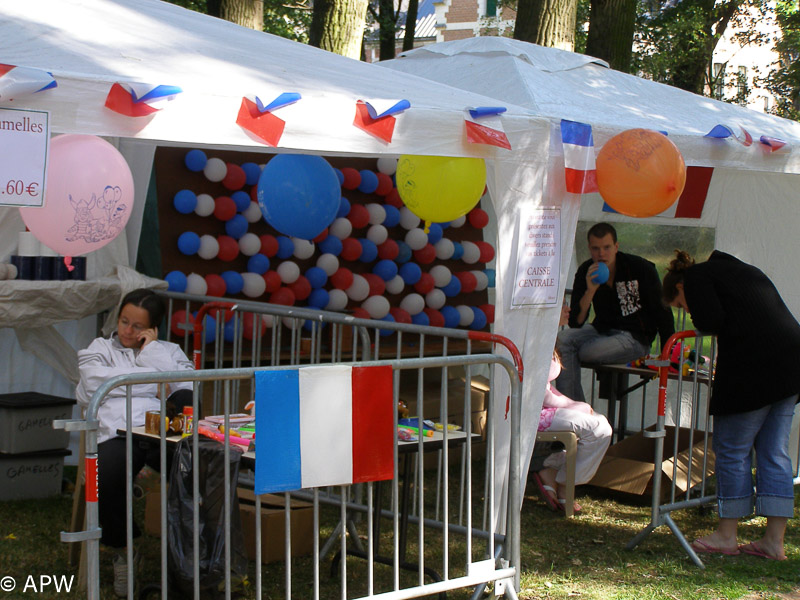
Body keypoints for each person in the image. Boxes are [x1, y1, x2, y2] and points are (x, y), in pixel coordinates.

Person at [663, 250, 800, 561]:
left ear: (680, 288)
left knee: (732, 450)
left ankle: (727, 535)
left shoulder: (698, 278)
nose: (687, 311)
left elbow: (712, 319)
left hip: (753, 370)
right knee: (774, 451)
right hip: (790, 364)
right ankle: (774, 541)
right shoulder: (741, 270)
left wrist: (698, 311)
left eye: (682, 306)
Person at [76, 288, 194, 596]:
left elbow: (188, 391)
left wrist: (151, 354)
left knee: (196, 469)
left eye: (137, 326)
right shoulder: (99, 348)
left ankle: (195, 557)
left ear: (154, 329)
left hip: (160, 431)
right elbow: (92, 385)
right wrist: (155, 384)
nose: (127, 331)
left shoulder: (168, 350)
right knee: (106, 477)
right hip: (116, 431)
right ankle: (123, 550)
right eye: (124, 321)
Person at [556, 223, 675, 403]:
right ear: (589, 249)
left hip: (635, 338)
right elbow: (576, 322)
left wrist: (668, 351)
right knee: (563, 340)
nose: (601, 254)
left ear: (616, 247)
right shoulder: (586, 271)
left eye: (606, 247)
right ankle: (572, 408)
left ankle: (574, 408)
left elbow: (662, 310)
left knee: (588, 352)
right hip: (601, 331)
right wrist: (590, 290)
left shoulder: (639, 268)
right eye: (596, 248)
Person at [532, 303, 613, 514]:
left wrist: (577, 405)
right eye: (562, 305)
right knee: (599, 430)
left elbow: (547, 388)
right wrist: (572, 405)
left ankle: (552, 471)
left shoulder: (547, 337)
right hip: (531, 413)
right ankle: (565, 484)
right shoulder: (536, 340)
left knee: (601, 423)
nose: (569, 309)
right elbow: (537, 391)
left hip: (542, 410)